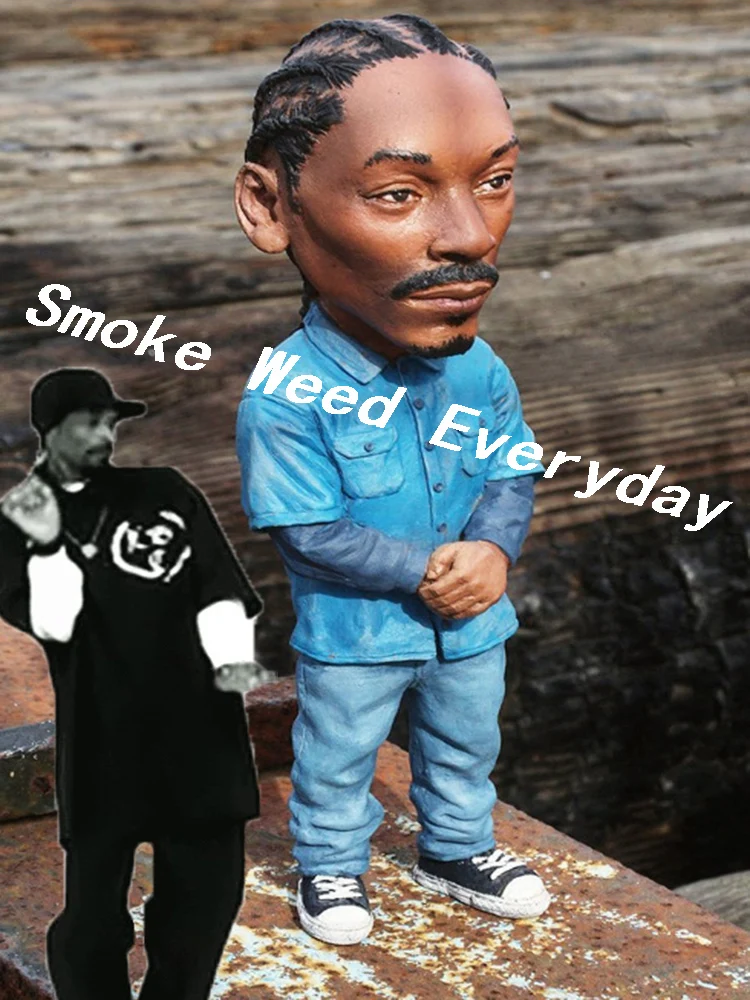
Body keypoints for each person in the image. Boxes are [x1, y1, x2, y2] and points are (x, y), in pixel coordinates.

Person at [234, 14, 551, 946]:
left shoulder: (480, 371)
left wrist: (493, 550)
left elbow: (512, 464)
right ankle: (331, 865)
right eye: (398, 194)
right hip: (358, 636)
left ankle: (458, 846)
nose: (468, 236)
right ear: (271, 207)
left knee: (467, 739)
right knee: (338, 751)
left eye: (495, 181)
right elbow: (306, 530)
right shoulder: (287, 397)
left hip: (472, 626)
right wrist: (425, 571)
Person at [0, 367, 273, 1000]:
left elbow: (219, 587)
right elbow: (56, 623)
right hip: (104, 735)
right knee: (94, 915)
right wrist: (48, 543)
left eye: (108, 422)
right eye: (88, 423)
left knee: (208, 894)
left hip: (201, 725)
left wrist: (233, 660)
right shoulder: (16, 519)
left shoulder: (164, 488)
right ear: (50, 430)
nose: (104, 435)